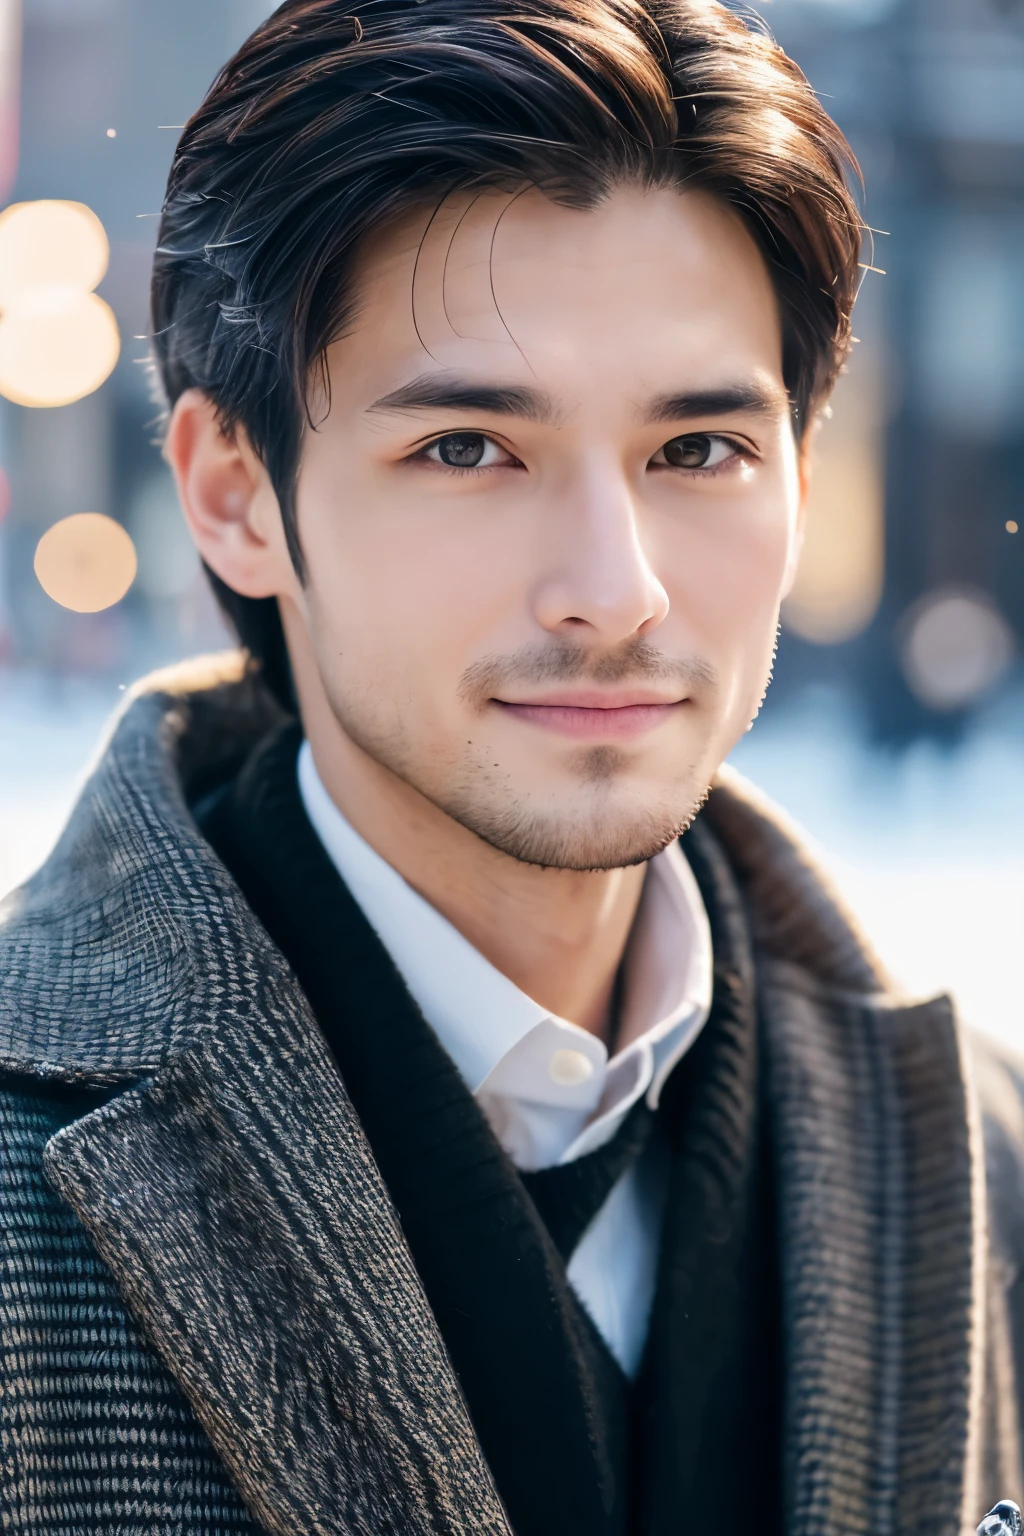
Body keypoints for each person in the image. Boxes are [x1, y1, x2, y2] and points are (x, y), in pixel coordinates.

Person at [1, 0, 1022, 1531]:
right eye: (469, 447)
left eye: (698, 452)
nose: (616, 591)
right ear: (236, 494)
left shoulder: (982, 1153)